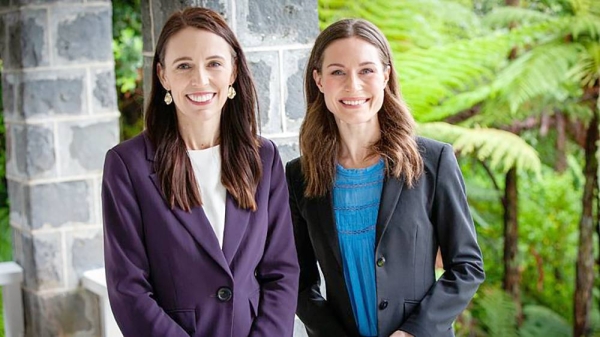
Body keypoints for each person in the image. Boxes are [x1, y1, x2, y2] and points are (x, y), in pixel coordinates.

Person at [102, 7, 299, 337]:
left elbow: (282, 272)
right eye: (184, 66)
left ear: (233, 71)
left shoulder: (264, 158)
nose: (201, 80)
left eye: (214, 64)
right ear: (163, 75)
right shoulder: (127, 165)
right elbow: (128, 289)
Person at [286, 18, 485, 337]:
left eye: (366, 70)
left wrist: (411, 333)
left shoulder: (433, 161)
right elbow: (297, 281)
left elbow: (467, 268)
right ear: (319, 80)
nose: (353, 86)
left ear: (386, 76)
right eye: (338, 71)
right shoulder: (299, 176)